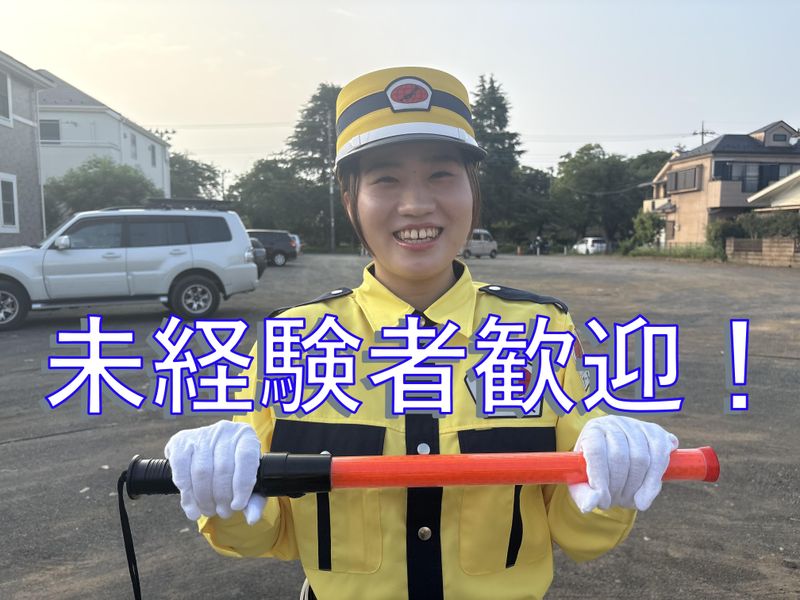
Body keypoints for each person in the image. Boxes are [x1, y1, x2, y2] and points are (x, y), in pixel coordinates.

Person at [164, 67, 678, 600]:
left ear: (472, 191)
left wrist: (616, 480)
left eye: (441, 175)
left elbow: (579, 532)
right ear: (350, 202)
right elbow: (269, 534)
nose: (415, 204)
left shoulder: (537, 331)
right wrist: (221, 491)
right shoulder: (295, 341)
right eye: (385, 179)